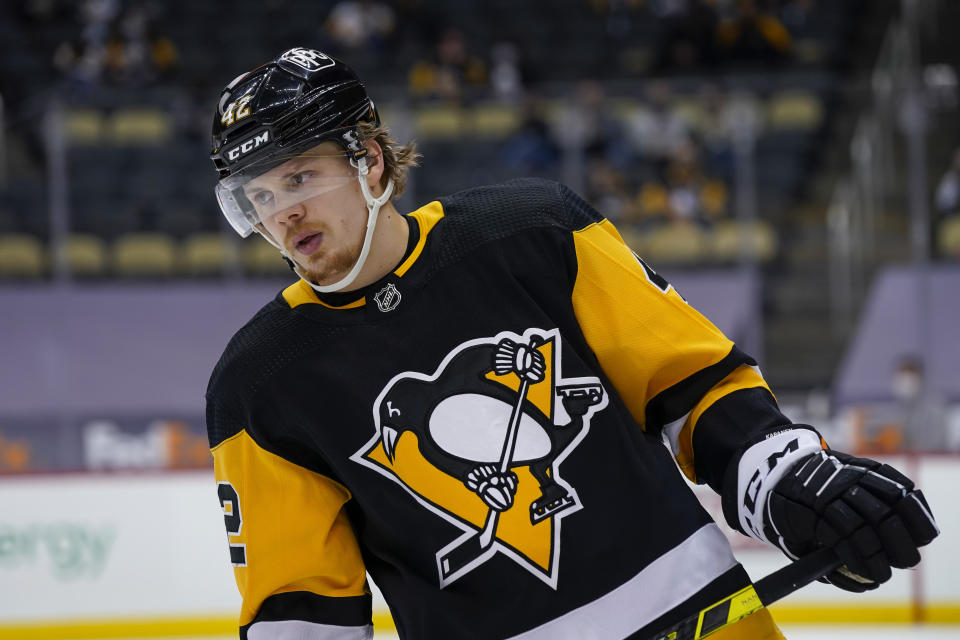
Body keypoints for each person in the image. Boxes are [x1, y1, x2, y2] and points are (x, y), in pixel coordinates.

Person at [205, 47, 939, 640]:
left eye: (300, 176)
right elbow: (300, 608)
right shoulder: (261, 382)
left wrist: (777, 480)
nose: (282, 214)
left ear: (368, 161)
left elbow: (689, 384)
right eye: (259, 196)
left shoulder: (532, 232)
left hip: (702, 620)